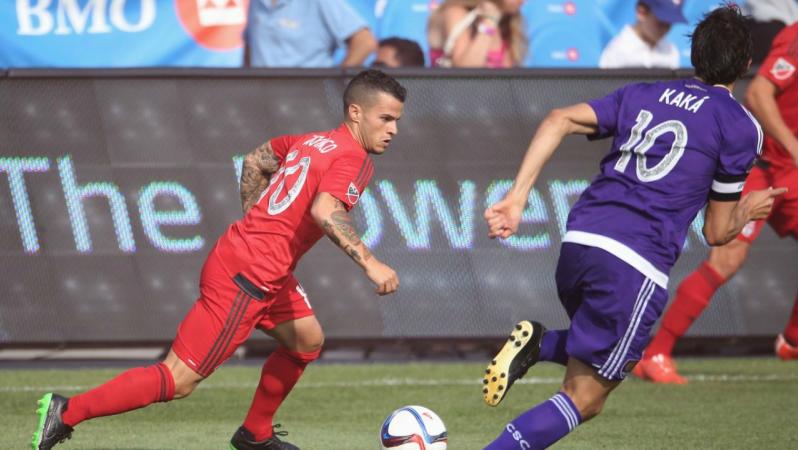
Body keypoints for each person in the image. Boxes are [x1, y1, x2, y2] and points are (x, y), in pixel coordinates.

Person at [30, 69, 406, 450]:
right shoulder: (354, 158)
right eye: (385, 118)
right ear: (355, 112)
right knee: (178, 380)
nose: (392, 129)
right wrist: (370, 263)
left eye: (396, 121)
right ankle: (66, 412)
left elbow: (255, 160)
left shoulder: (312, 141)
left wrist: (257, 220)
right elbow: (326, 210)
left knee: (306, 340)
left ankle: (255, 434)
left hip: (256, 264)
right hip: (249, 277)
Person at [480, 6, 785, 449]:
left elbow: (557, 119)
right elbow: (717, 233)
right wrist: (748, 210)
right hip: (634, 261)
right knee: (584, 398)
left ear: (696, 56)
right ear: (744, 64)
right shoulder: (739, 126)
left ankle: (541, 344)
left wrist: (517, 196)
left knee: (602, 353)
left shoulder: (643, 93)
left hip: (579, 242)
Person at [634, 21, 798, 385]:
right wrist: (793, 146)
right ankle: (656, 352)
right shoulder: (797, 38)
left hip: (789, 172)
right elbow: (758, 94)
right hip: (763, 165)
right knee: (727, 257)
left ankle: (792, 339)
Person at [244, 0, 377, 68]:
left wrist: (337, 84)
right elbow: (251, 47)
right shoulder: (255, 3)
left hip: (307, 101)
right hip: (262, 102)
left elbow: (364, 41)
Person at [427, 0, 527, 68]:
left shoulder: (507, 20)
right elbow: (465, 71)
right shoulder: (455, 12)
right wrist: (489, 22)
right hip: (453, 97)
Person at [599, 0, 686, 69]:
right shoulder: (617, 51)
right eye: (661, 22)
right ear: (641, 12)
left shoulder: (671, 51)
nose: (665, 29)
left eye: (670, 23)